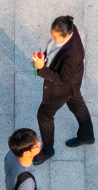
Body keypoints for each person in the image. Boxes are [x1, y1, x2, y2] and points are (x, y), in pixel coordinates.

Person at [31, 15, 94, 164]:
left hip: (64, 87)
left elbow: (61, 79)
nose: (52, 38)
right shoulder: (69, 28)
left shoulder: (74, 54)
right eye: (52, 34)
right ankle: (86, 136)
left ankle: (47, 150)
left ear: (66, 35)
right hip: (73, 83)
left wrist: (41, 68)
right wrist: (43, 57)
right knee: (76, 103)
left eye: (55, 36)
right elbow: (54, 50)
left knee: (44, 115)